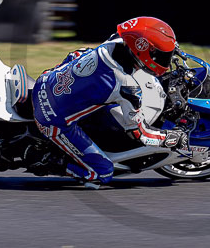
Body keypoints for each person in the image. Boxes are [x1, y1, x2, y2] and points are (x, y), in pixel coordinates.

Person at [31, 16, 188, 188]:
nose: (164, 60)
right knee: (103, 172)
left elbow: (76, 54)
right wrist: (169, 138)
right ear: (142, 50)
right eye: (161, 56)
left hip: (46, 80)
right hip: (52, 120)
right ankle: (53, 162)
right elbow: (140, 134)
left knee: (82, 57)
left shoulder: (114, 42)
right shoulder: (126, 86)